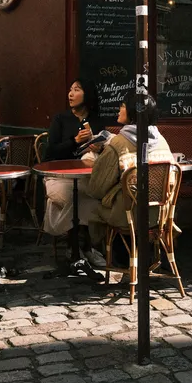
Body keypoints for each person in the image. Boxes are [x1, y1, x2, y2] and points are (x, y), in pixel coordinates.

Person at [84, 91, 173, 249]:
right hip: (159, 216)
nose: (119, 109)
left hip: (128, 216)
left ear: (133, 112)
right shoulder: (163, 141)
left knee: (87, 206)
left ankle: (101, 253)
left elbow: (96, 188)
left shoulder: (118, 144)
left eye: (123, 106)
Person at [43, 80, 105, 262]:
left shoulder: (95, 120)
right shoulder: (60, 119)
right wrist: (75, 141)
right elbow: (51, 152)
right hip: (57, 176)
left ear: (87, 95)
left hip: (85, 176)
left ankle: (80, 248)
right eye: (70, 90)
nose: (70, 94)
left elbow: (104, 150)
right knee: (75, 198)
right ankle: (81, 247)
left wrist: (98, 147)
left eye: (77, 90)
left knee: (93, 197)